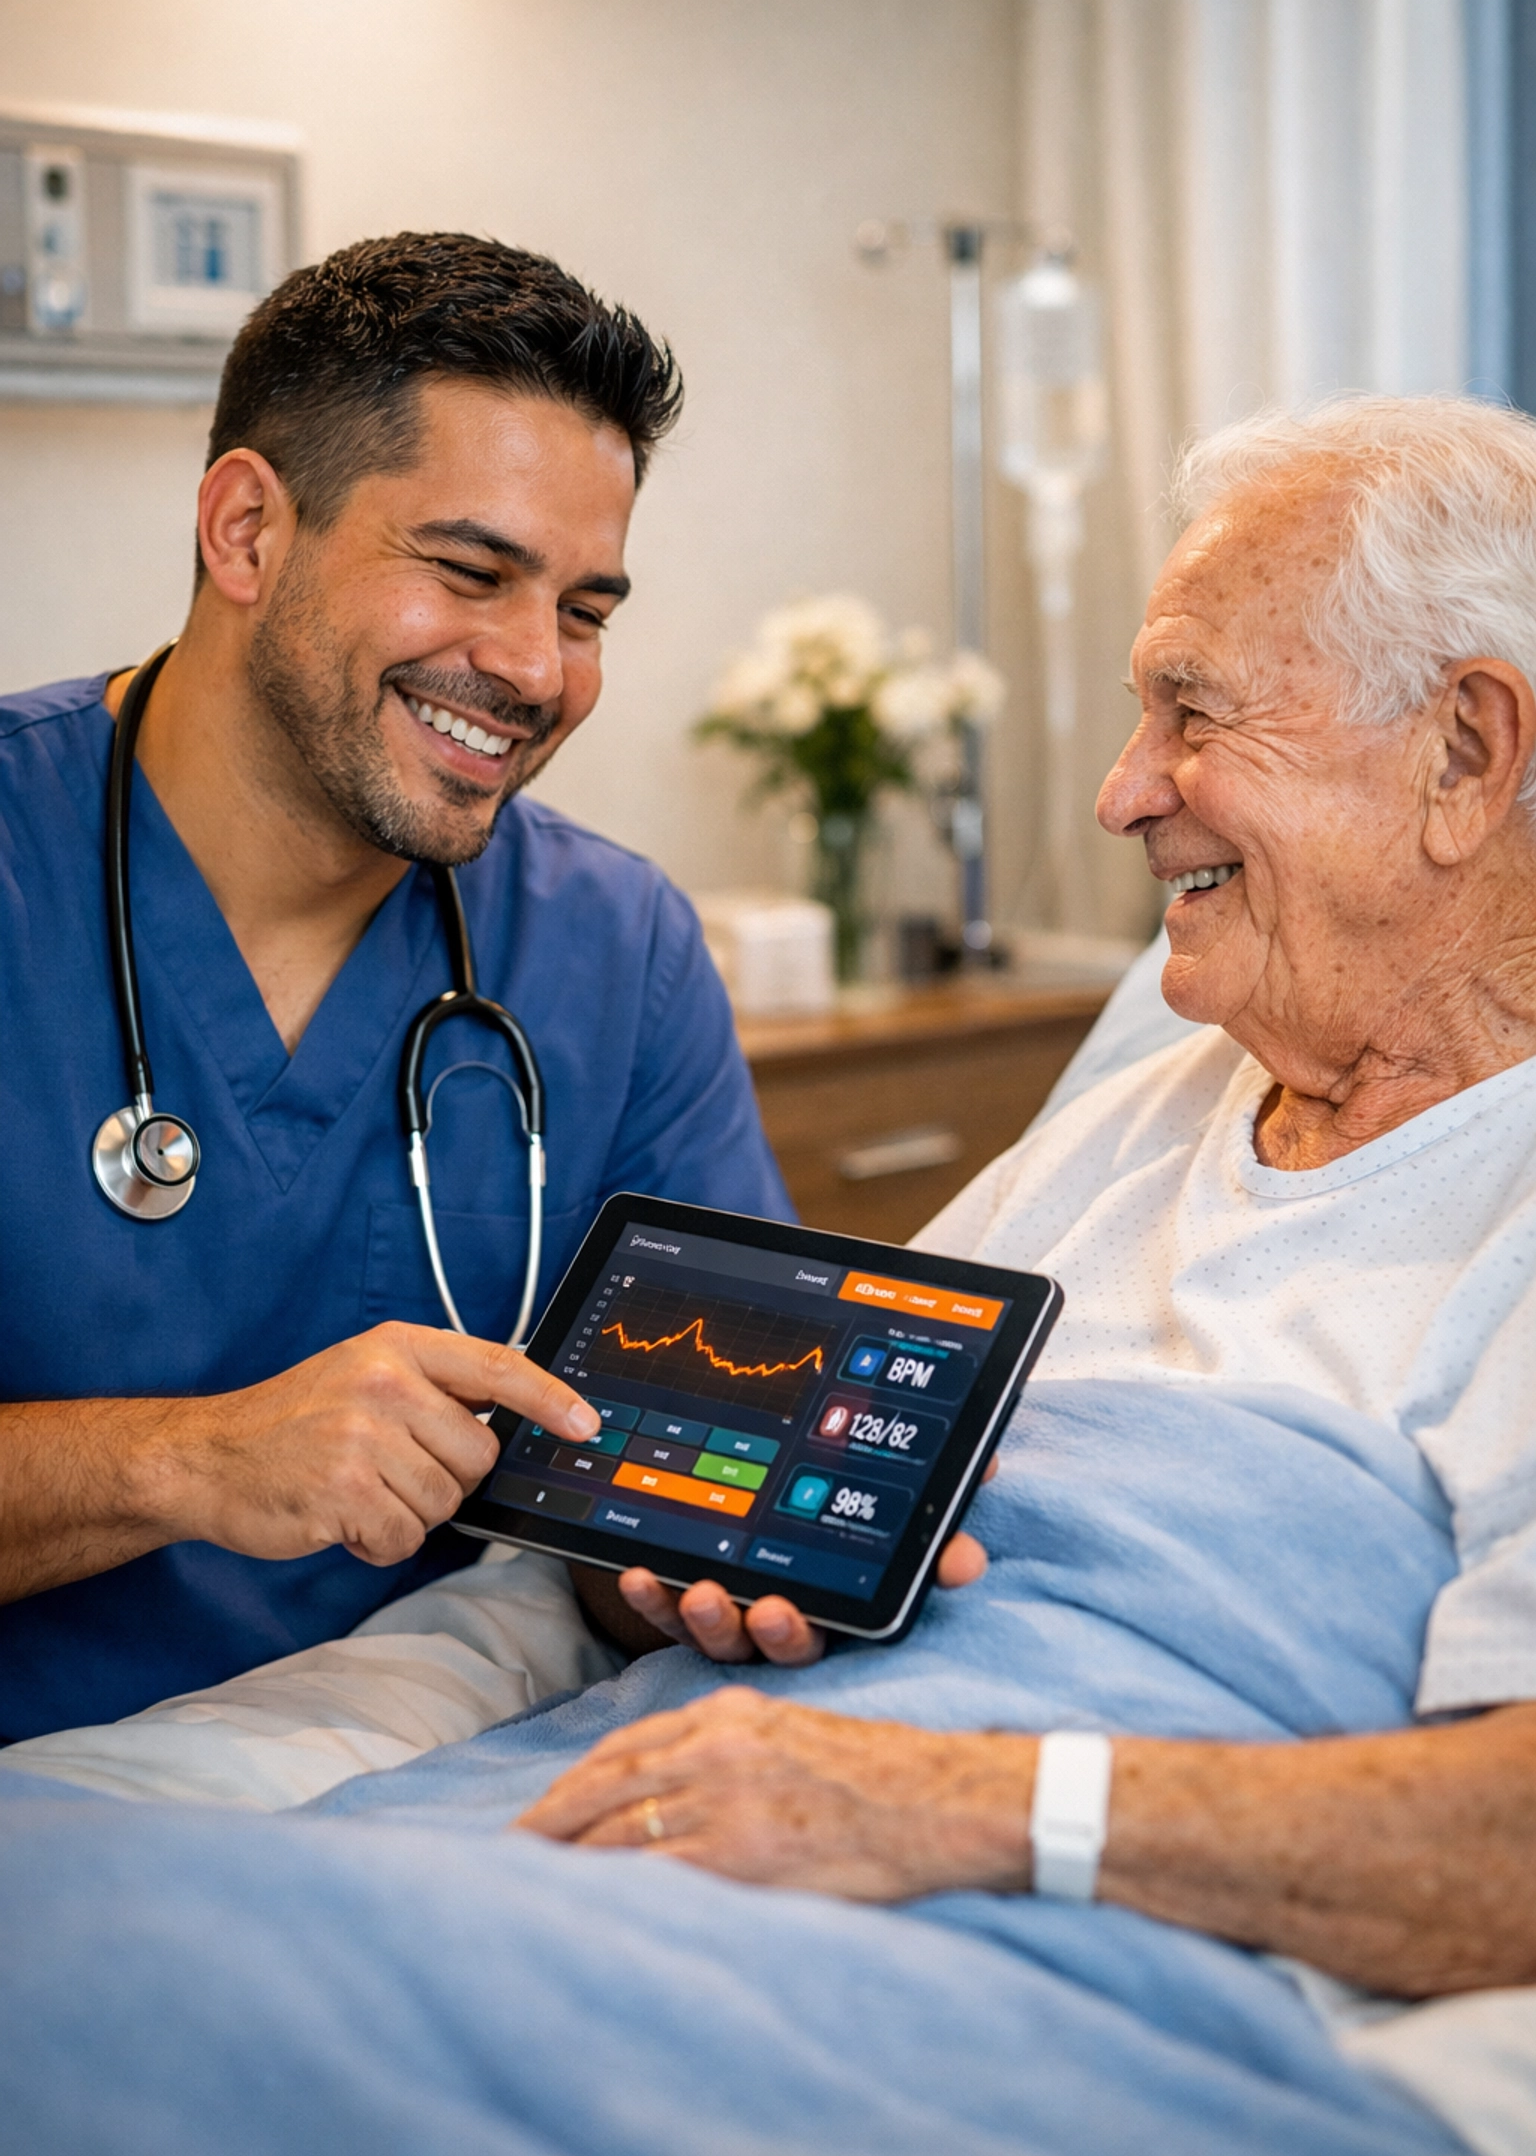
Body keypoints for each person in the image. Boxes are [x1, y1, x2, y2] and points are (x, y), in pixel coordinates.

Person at [517, 393, 1536, 2010]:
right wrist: (664, 1556)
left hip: (965, 1952)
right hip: (667, 1820)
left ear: (1465, 753)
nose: (1124, 795)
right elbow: (790, 1490)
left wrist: (951, 1805)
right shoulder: (1134, 1122)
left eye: (1191, 714)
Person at [0, 231, 814, 1742]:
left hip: (418, 1786)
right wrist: (192, 1460)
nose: (535, 668)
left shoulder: (614, 949)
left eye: (584, 611)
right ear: (246, 532)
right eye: (469, 571)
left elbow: (643, 1501)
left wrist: (686, 1566)